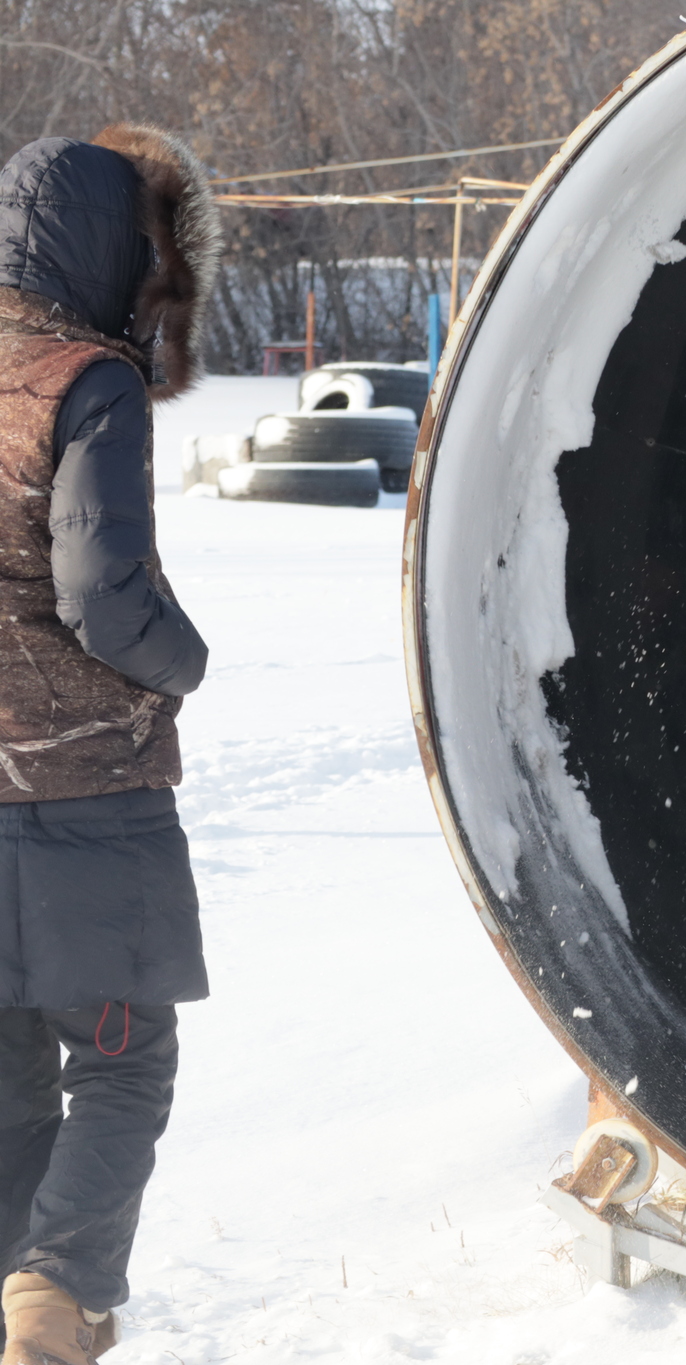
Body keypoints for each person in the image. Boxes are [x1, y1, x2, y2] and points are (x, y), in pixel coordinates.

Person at [0, 124, 218, 1365]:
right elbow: (101, 594)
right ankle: (54, 1301)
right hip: (90, 788)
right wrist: (182, 662)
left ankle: (13, 1296)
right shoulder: (90, 382)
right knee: (122, 1065)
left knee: (10, 1077)